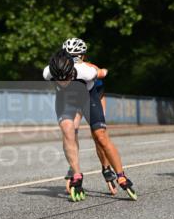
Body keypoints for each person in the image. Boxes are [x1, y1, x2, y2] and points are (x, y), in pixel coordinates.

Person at [43, 49, 136, 201]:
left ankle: (121, 175)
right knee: (68, 130)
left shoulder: (85, 71)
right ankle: (76, 174)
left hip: (89, 99)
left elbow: (103, 73)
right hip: (66, 100)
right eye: (59, 79)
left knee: (100, 136)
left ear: (72, 70)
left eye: (66, 77)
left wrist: (102, 70)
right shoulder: (47, 72)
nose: (63, 82)